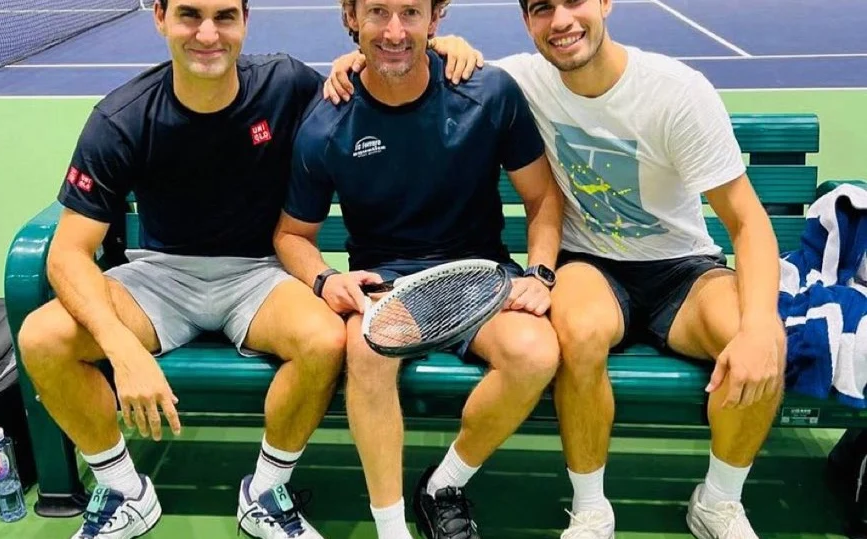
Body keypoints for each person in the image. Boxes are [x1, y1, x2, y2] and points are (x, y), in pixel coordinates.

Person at [11, 0, 483, 537]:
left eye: (224, 17)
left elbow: (377, 71)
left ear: (244, 23)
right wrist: (121, 351)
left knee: (325, 339)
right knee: (42, 337)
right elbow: (67, 252)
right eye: (190, 16)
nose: (207, 34)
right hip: (160, 276)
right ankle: (123, 490)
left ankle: (264, 493)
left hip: (259, 273)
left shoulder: (282, 84)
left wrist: (444, 48)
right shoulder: (122, 117)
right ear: (160, 17)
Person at [324, 1, 787, 537]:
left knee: (763, 340)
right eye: (543, 8)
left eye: (575, 2)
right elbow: (421, 58)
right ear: (527, 21)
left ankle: (719, 500)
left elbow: (749, 224)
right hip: (590, 266)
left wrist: (756, 327)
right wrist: (371, 58)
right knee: (580, 332)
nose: (561, 21)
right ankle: (591, 508)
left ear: (605, 4)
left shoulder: (677, 92)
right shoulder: (523, 78)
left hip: (683, 268)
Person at [273, 1, 565, 538]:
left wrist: (541, 273)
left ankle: (442, 485)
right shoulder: (326, 122)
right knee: (365, 352)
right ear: (350, 18)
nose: (393, 30)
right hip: (391, 285)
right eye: (377, 12)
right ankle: (391, 529)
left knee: (536, 352)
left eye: (410, 12)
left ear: (436, 19)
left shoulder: (487, 92)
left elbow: (543, 197)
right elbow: (292, 235)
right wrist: (324, 278)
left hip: (483, 276)